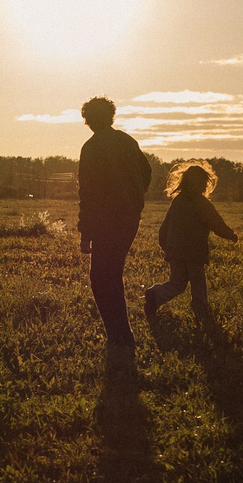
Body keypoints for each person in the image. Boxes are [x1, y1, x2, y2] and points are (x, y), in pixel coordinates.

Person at [76, 96, 152, 354]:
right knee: (112, 274)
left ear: (87, 120)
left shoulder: (91, 147)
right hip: (129, 218)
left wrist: (85, 233)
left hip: (106, 221)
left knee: (100, 278)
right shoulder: (127, 141)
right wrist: (135, 198)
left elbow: (87, 193)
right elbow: (146, 173)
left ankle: (119, 335)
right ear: (111, 116)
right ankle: (122, 334)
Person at [144, 161, 240, 321]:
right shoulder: (201, 203)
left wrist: (165, 244)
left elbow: (166, 225)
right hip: (194, 252)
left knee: (177, 284)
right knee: (198, 285)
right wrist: (231, 235)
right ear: (204, 184)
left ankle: (155, 294)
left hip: (175, 251)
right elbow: (216, 223)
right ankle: (201, 312)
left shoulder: (178, 201)